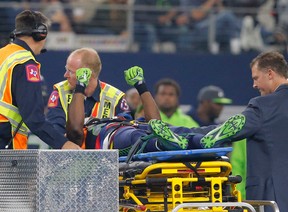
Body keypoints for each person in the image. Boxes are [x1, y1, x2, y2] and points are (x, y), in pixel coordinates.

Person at [198, 51, 288, 212]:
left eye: (255, 78)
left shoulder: (263, 106)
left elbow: (220, 133)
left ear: (270, 74)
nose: (254, 85)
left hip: (273, 204)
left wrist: (182, 134)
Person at [66, 66, 204, 156]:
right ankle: (167, 142)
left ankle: (207, 136)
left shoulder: (121, 117)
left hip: (132, 125)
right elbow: (75, 130)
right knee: (137, 137)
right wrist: (80, 87)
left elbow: (156, 124)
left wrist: (141, 85)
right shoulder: (85, 132)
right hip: (112, 137)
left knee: (179, 130)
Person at [0, 10, 80, 150]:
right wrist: (64, 144)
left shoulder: (3, 54)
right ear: (41, 34)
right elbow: (34, 118)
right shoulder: (26, 63)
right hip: (5, 142)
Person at [46, 47, 131, 149]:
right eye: (66, 69)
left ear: (86, 75)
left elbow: (125, 133)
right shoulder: (60, 92)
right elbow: (54, 129)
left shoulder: (115, 97)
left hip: (103, 160)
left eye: (70, 71)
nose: (65, 75)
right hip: (65, 156)